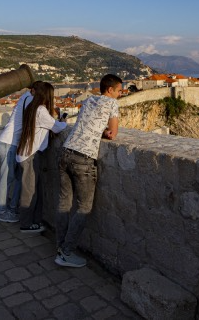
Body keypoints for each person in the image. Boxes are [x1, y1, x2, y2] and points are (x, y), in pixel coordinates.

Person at [55, 74, 122, 267]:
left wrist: (100, 130)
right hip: (83, 158)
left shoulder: (89, 100)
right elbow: (113, 134)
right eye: (119, 90)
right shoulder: (112, 103)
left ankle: (60, 246)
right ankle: (66, 253)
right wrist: (106, 132)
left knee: (64, 203)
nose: (120, 94)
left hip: (66, 151)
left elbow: (89, 124)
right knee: (84, 207)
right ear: (110, 90)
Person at [15, 82, 66, 234]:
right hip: (30, 156)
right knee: (30, 192)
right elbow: (57, 127)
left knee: (33, 189)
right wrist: (63, 122)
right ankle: (26, 224)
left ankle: (34, 221)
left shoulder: (32, 107)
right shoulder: (41, 111)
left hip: (26, 153)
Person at [0, 81, 44, 223]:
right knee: (7, 179)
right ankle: (1, 211)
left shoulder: (25, 98)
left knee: (18, 179)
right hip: (8, 143)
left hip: (13, 144)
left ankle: (12, 208)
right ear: (33, 90)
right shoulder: (29, 99)